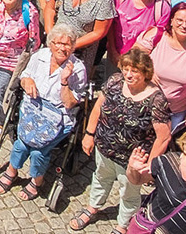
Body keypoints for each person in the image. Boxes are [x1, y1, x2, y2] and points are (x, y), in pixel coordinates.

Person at [73, 47, 172, 232]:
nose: (128, 74)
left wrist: (149, 165)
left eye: (134, 70)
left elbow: (164, 137)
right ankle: (93, 207)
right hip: (104, 147)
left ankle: (123, 225)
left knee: (129, 193)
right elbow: (98, 107)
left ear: (145, 73)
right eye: (126, 68)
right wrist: (89, 134)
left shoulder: (156, 99)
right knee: (100, 178)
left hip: (132, 159)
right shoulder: (114, 81)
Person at [0, 22, 88, 202]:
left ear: (73, 46)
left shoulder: (78, 69)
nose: (62, 47)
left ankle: (37, 181)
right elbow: (24, 75)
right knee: (21, 143)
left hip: (58, 118)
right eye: (57, 43)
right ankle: (11, 171)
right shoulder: (41, 55)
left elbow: (70, 104)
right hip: (33, 109)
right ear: (50, 44)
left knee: (38, 152)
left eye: (67, 44)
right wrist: (27, 80)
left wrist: (64, 82)